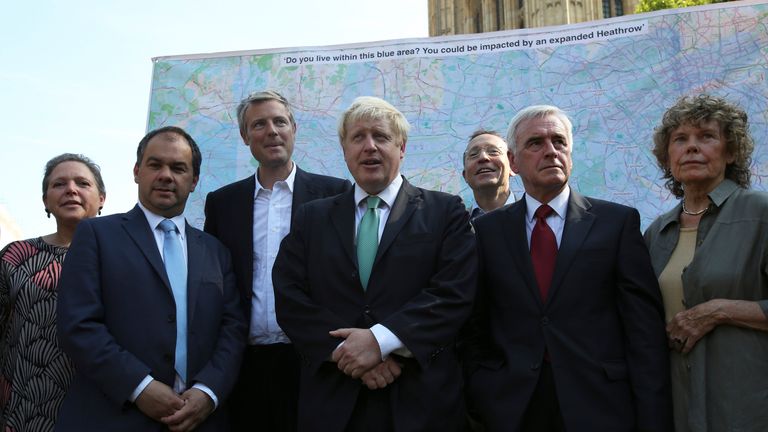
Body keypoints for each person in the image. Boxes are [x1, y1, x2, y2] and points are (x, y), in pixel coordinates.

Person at [273, 96, 477, 431]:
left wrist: (381, 340)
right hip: (333, 403)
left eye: (380, 137)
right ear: (344, 149)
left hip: (421, 402)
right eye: (358, 137)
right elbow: (290, 295)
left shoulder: (445, 212)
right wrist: (350, 352)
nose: (369, 146)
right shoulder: (312, 217)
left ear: (402, 148)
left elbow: (454, 292)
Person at [463, 105, 672, 431]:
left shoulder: (616, 224)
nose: (550, 151)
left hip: (602, 407)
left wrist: (653, 418)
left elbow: (643, 333)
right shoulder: (487, 233)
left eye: (559, 142)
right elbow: (474, 326)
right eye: (536, 143)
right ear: (514, 163)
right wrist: (484, 389)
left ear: (570, 154)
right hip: (512, 409)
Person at [55, 126, 246, 431]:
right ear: (136, 171)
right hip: (113, 416)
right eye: (155, 165)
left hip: (199, 419)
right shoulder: (96, 236)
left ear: (194, 180)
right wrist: (139, 386)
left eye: (179, 168)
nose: (166, 175)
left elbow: (233, 329)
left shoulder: (216, 251)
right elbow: (78, 325)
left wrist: (208, 392)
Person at [204, 90, 349, 431]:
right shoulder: (223, 203)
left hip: (316, 360)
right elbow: (217, 284)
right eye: (259, 124)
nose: (271, 130)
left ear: (294, 129)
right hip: (246, 365)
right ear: (245, 136)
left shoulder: (336, 194)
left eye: (279, 121)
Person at [644, 94, 768, 431]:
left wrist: (719, 310)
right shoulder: (655, 233)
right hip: (677, 405)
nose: (692, 148)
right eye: (680, 140)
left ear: (730, 153)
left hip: (747, 403)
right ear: (667, 157)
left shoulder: (760, 212)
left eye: (707, 137)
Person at [0, 154, 105, 432]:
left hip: (95, 411)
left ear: (102, 198)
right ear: (46, 200)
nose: (71, 189)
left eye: (82, 183)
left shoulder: (121, 258)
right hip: (21, 412)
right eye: (59, 184)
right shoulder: (15, 257)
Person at [462, 129, 515, 218]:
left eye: (494, 151)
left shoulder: (535, 218)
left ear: (512, 167)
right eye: (474, 154)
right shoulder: (456, 226)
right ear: (465, 176)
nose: (483, 157)